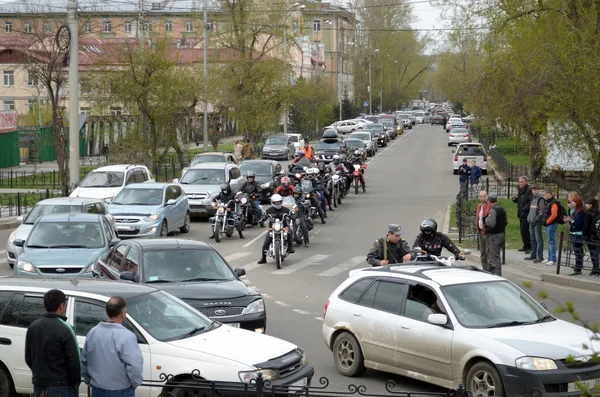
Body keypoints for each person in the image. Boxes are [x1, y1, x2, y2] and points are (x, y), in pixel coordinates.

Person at [82, 297, 143, 397]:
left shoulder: (93, 332)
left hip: (97, 389)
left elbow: (84, 359)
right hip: (120, 390)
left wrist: (88, 380)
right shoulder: (127, 336)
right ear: (123, 314)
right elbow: (134, 365)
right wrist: (135, 383)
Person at [25, 289, 81, 397]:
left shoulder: (33, 326)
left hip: (39, 384)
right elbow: (74, 361)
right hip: (62, 386)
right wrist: (75, 383)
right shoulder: (66, 328)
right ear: (61, 305)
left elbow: (28, 357)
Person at [257, 194, 295, 264]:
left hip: (284, 227)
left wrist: (292, 216)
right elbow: (264, 217)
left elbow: (291, 214)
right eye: (276, 202)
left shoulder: (285, 209)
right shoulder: (269, 210)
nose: (278, 203)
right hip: (272, 228)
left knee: (290, 231)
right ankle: (263, 258)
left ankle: (290, 248)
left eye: (279, 202)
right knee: (266, 241)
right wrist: (261, 220)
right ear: (272, 202)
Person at [484, 195, 507, 276]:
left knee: (494, 258)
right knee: (494, 257)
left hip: (494, 236)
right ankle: (491, 274)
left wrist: (486, 222)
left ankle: (496, 276)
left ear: (489, 202)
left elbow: (492, 224)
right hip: (501, 234)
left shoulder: (493, 210)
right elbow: (505, 222)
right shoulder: (502, 209)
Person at [511, 176, 533, 254]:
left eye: (522, 182)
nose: (520, 183)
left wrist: (524, 209)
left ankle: (529, 247)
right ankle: (525, 245)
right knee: (522, 230)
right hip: (521, 213)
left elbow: (530, 201)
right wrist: (515, 200)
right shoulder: (521, 190)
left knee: (525, 230)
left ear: (526, 182)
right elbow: (520, 201)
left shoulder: (529, 190)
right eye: (519, 182)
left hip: (526, 213)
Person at [564, 196, 585, 276]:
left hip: (577, 234)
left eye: (573, 201)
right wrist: (569, 220)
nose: (572, 202)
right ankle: (578, 266)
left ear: (577, 202)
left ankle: (578, 268)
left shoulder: (580, 211)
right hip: (574, 232)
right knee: (577, 251)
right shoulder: (576, 210)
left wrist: (571, 220)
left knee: (578, 252)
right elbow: (574, 222)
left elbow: (579, 224)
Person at [526, 185, 545, 263]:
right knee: (533, 239)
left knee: (538, 239)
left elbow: (542, 211)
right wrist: (529, 218)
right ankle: (533, 254)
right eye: (533, 190)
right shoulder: (533, 199)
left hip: (537, 222)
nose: (534, 191)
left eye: (535, 190)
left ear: (538, 190)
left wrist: (537, 219)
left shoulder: (540, 199)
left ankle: (540, 256)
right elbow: (531, 210)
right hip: (531, 222)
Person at [542, 188, 560, 266]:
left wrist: (547, 221)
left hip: (552, 224)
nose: (544, 196)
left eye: (545, 194)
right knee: (549, 241)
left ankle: (553, 259)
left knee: (551, 241)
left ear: (549, 194)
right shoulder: (549, 202)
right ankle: (550, 257)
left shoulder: (554, 203)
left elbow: (554, 214)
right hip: (548, 224)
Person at [475, 190, 491, 271]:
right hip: (480, 230)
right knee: (482, 252)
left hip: (486, 231)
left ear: (487, 196)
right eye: (481, 197)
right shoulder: (479, 206)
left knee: (488, 251)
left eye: (484, 196)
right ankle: (485, 269)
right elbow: (477, 218)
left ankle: (490, 269)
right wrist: (477, 228)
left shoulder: (489, 206)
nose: (482, 198)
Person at [583, 198, 600, 276]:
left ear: (591, 205)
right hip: (597, 236)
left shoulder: (588, 214)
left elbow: (586, 226)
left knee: (593, 253)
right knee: (596, 252)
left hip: (590, 236)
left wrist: (583, 235)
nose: (586, 205)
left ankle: (595, 269)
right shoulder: (598, 213)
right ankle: (596, 268)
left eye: (587, 204)